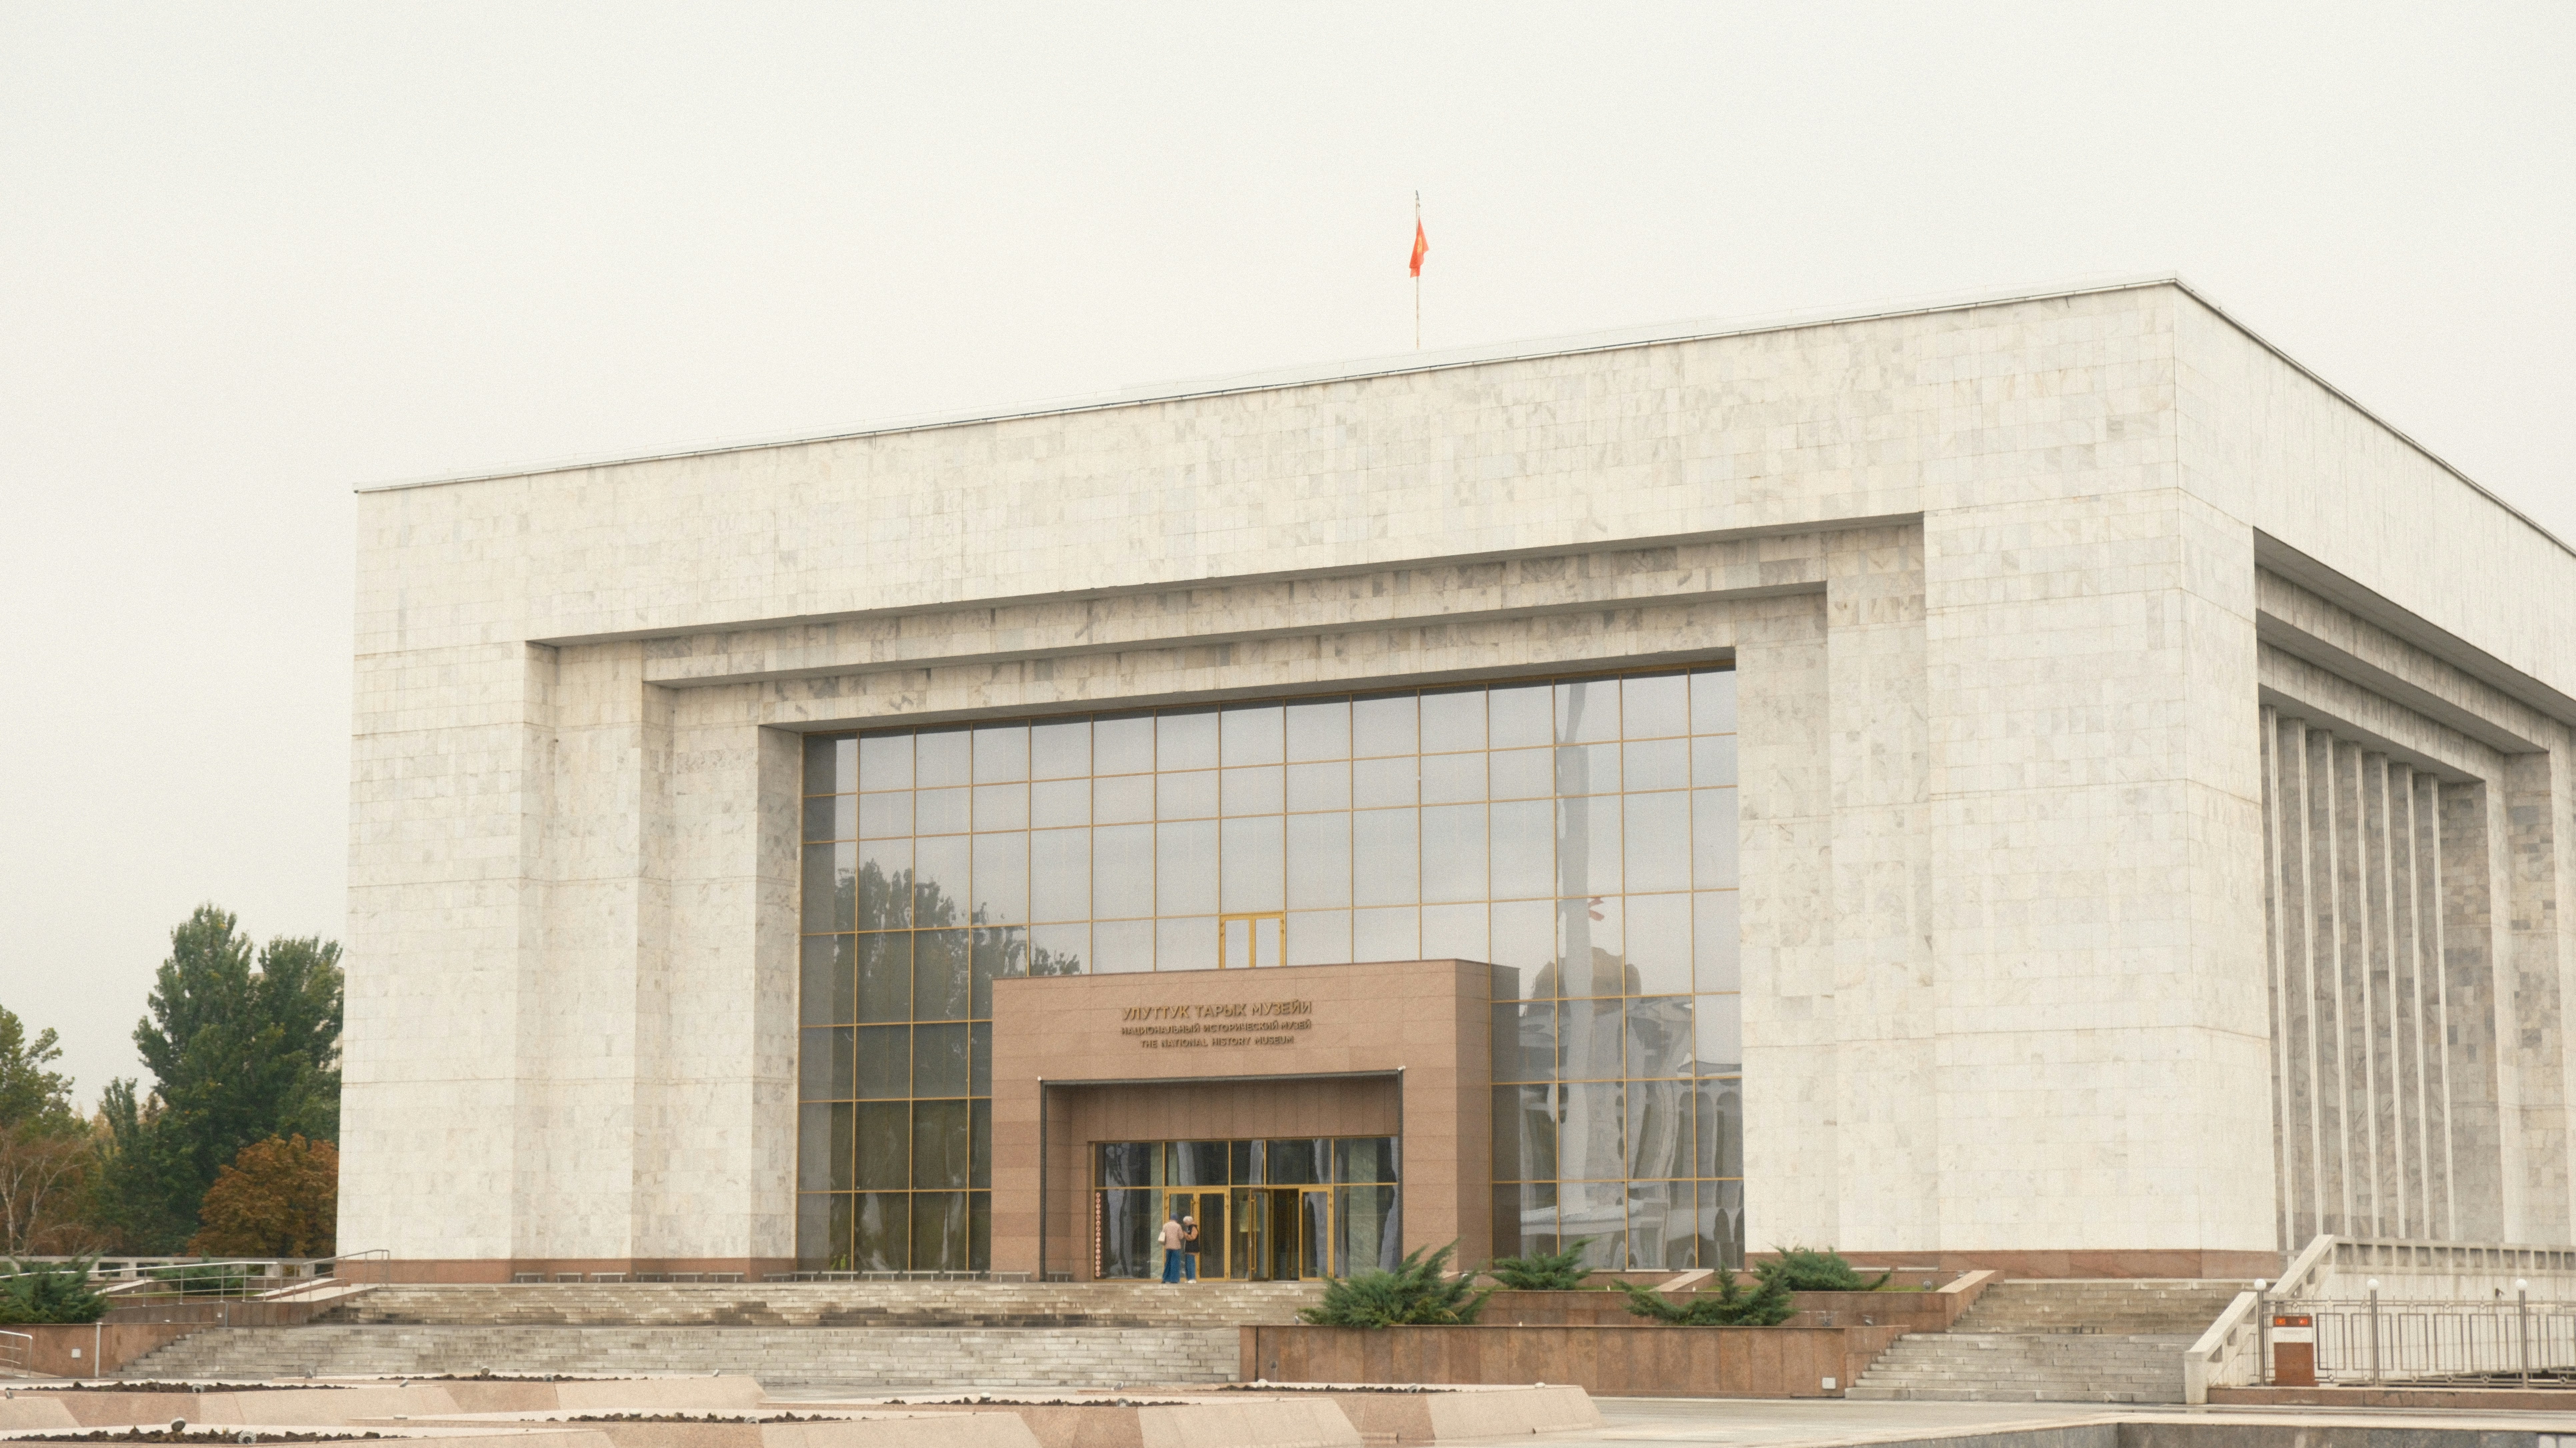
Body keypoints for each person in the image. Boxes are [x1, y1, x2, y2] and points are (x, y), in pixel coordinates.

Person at [1159, 1211, 1187, 1284]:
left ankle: (1165, 1279)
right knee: (1175, 1263)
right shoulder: (1178, 1226)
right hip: (1176, 1248)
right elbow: (1181, 1237)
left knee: (1168, 1263)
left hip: (1168, 1247)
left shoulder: (1165, 1226)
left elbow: (1163, 1235)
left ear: (1171, 1219)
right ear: (1177, 1219)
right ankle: (1174, 1280)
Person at [1179, 1215, 1200, 1282]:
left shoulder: (1193, 1228)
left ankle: (1192, 1278)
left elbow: (1193, 1237)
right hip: (1189, 1249)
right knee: (1188, 1265)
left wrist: (1185, 1235)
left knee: (1191, 1264)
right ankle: (1189, 1279)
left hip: (1192, 1249)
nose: (1185, 1225)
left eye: (1186, 1223)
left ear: (1189, 1222)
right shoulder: (1189, 1228)